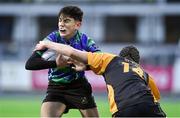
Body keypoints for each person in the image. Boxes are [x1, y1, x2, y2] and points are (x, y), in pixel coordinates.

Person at [34, 41, 166, 117]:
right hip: (149, 106)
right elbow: (156, 98)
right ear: (137, 62)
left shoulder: (110, 59)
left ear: (120, 56)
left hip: (124, 108)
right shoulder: (144, 73)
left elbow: (72, 52)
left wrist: (48, 43)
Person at [25, 6, 100, 117]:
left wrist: (85, 66)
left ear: (77, 25)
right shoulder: (52, 39)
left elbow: (100, 59)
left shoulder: (85, 40)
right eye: (60, 20)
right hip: (56, 88)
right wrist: (56, 63)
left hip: (79, 87)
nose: (61, 24)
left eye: (66, 21)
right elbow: (30, 64)